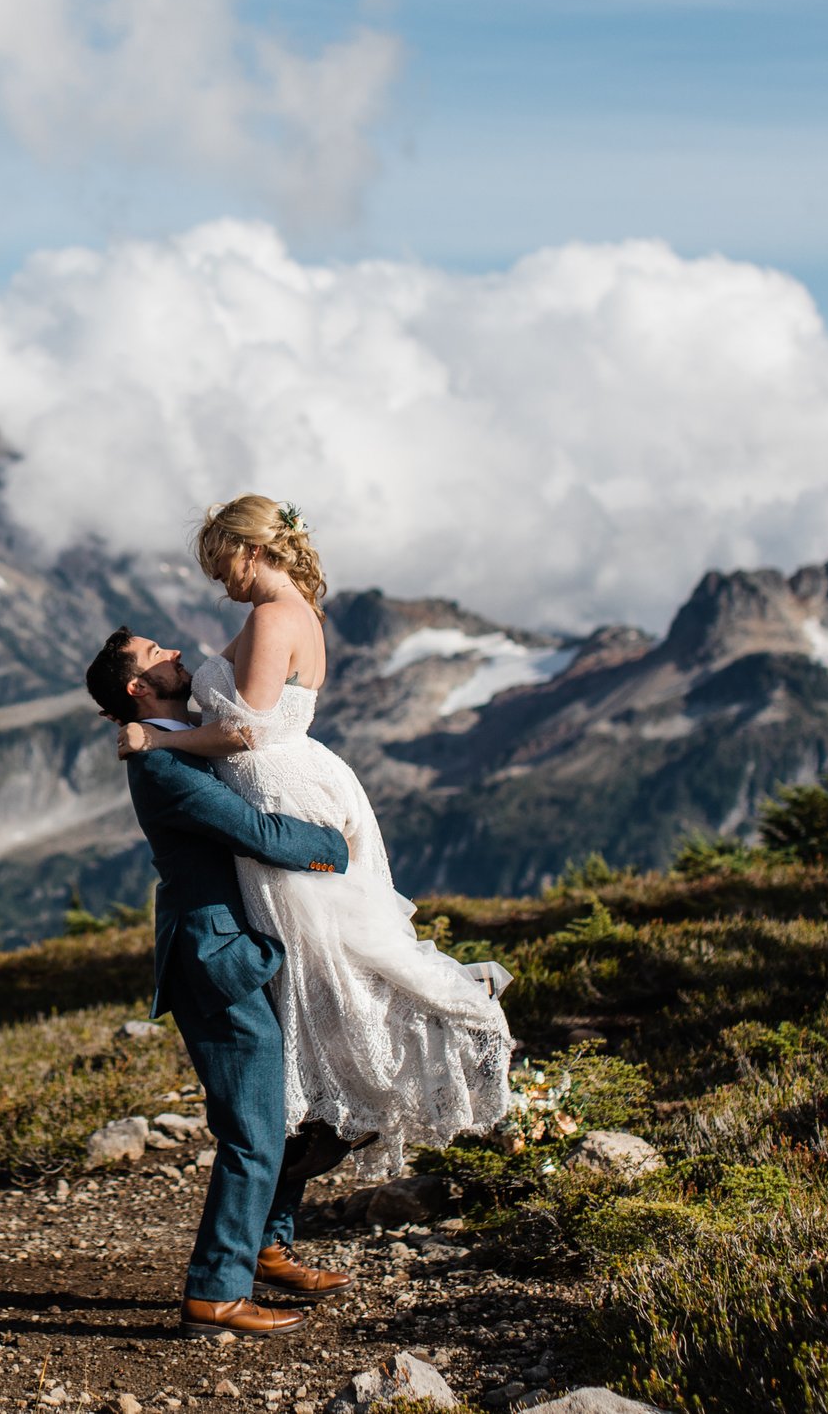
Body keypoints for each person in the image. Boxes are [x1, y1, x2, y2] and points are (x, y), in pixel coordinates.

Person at [115, 494, 515, 1174]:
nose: (223, 581)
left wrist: (156, 734)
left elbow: (248, 728)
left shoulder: (273, 616)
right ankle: (325, 1115)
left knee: (321, 954)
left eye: (224, 565)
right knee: (321, 953)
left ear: (252, 549)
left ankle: (423, 1040)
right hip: (288, 775)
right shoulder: (284, 609)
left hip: (274, 785)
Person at [85, 629, 360, 1338]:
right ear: (137, 690)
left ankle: (267, 1244)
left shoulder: (178, 734)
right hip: (217, 955)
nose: (173, 651)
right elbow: (257, 832)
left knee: (293, 1105)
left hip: (251, 941)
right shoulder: (161, 769)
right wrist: (341, 847)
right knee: (254, 1126)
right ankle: (215, 1290)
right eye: (154, 654)